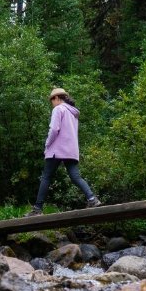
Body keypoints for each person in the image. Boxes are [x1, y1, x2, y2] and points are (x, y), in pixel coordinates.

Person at [26, 87, 101, 217]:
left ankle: (37, 209)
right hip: (71, 150)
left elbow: (54, 129)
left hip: (57, 149)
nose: (52, 104)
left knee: (46, 177)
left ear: (56, 98)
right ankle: (92, 199)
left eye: (51, 100)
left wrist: (47, 144)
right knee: (75, 177)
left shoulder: (58, 109)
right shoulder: (73, 113)